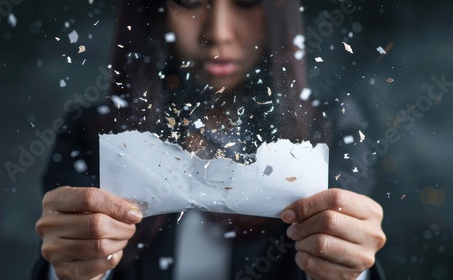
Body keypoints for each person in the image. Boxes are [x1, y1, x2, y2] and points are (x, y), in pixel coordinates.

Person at [34, 0, 386, 279]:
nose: (217, 33)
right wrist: (70, 267)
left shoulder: (329, 130)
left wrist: (349, 268)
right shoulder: (94, 132)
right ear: (154, 10)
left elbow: (342, 249)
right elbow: (68, 252)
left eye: (247, 1)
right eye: (188, 2)